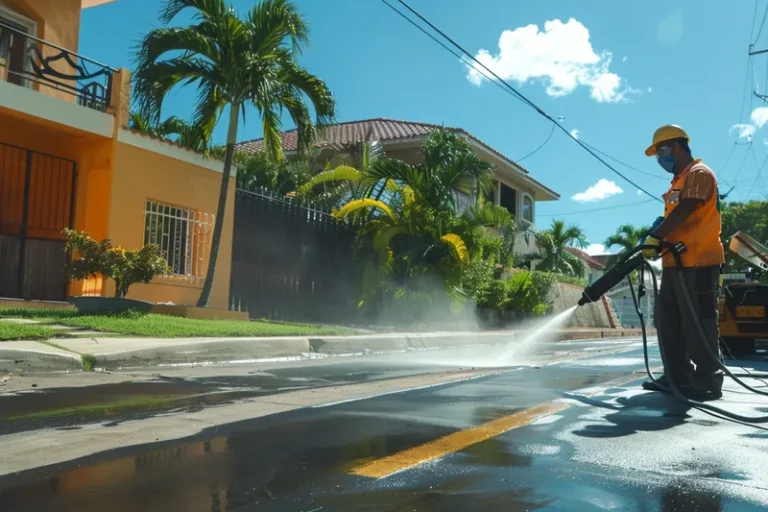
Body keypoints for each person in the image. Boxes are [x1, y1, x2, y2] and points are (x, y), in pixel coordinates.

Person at [640, 124, 726, 401]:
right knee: (668, 322)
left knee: (698, 322)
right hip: (674, 264)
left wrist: (656, 234)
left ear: (675, 147)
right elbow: (675, 218)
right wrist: (659, 231)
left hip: (699, 262)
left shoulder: (698, 174)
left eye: (661, 152)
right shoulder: (676, 182)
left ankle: (707, 380)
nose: (660, 159)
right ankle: (676, 377)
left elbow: (687, 208)